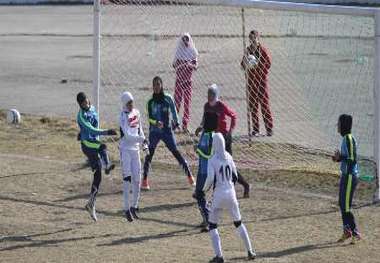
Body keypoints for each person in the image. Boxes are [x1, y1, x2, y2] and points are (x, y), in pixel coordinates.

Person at [204, 133, 256, 263]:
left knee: (212, 225)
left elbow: (210, 179)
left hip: (219, 195)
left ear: (215, 144)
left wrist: (203, 190)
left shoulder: (212, 159)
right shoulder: (229, 156)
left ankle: (219, 256)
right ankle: (250, 251)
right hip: (231, 194)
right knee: (238, 223)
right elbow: (236, 176)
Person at [195, 84, 251, 198]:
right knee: (213, 164)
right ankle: (206, 191)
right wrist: (200, 127)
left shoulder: (221, 106)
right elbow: (204, 119)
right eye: (208, 94)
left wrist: (230, 131)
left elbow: (233, 116)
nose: (209, 96)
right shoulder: (206, 106)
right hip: (213, 138)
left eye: (212, 94)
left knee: (228, 165)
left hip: (224, 138)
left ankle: (245, 185)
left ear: (216, 95)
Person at [142, 76, 195, 190]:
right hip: (154, 132)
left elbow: (174, 112)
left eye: (158, 84)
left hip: (167, 131)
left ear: (161, 85)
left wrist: (176, 122)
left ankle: (190, 176)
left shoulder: (168, 98)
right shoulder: (150, 102)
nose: (156, 87)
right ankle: (144, 180)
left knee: (176, 153)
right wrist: (156, 122)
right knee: (149, 155)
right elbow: (149, 118)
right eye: (154, 85)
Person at [76, 92, 117, 221]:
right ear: (80, 105)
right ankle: (107, 166)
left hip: (93, 141)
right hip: (87, 145)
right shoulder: (81, 116)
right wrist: (107, 132)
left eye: (86, 101)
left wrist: (81, 131)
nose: (85, 104)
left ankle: (91, 204)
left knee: (97, 176)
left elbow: (94, 126)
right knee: (103, 147)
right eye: (82, 103)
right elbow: (92, 130)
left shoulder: (93, 109)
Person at [332, 114, 362, 244]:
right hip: (346, 175)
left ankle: (354, 232)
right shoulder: (345, 138)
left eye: (338, 123)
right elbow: (347, 158)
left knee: (345, 205)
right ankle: (347, 231)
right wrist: (338, 158)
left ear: (343, 125)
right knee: (342, 203)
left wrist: (340, 158)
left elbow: (352, 159)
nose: (337, 126)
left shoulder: (349, 139)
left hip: (350, 176)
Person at [119, 91, 147, 222]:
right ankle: (126, 209)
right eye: (128, 103)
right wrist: (141, 139)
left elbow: (140, 129)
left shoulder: (136, 112)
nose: (131, 105)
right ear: (124, 104)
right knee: (127, 179)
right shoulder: (122, 116)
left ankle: (134, 206)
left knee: (137, 179)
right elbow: (128, 136)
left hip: (135, 150)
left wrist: (144, 144)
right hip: (125, 149)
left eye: (132, 102)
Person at [241, 29, 273, 136]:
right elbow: (242, 66)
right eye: (250, 39)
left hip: (261, 82)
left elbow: (268, 64)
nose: (252, 41)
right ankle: (255, 129)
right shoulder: (248, 50)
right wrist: (246, 62)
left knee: (264, 105)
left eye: (254, 39)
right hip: (251, 83)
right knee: (253, 106)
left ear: (258, 38)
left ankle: (269, 129)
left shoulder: (262, 50)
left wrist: (257, 66)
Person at [194, 110, 218, 232]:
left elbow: (209, 154)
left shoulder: (211, 136)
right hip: (201, 170)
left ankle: (208, 220)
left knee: (199, 194)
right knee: (199, 194)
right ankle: (206, 219)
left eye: (205, 121)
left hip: (207, 171)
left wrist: (198, 150)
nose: (203, 122)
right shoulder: (205, 133)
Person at [173, 32, 198, 132]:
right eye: (184, 39)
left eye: (187, 39)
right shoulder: (179, 51)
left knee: (187, 104)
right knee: (177, 103)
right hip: (179, 81)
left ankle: (185, 125)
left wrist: (189, 65)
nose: (185, 41)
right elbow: (174, 64)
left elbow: (196, 66)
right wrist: (180, 64)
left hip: (188, 82)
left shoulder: (192, 51)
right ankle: (175, 123)